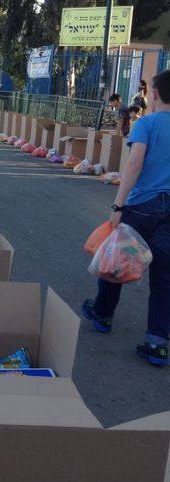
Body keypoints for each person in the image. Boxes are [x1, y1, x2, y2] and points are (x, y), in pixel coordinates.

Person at [82, 68, 170, 367]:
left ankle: (103, 315)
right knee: (164, 278)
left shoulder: (146, 123)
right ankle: (157, 342)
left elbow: (134, 163)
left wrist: (118, 207)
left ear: (154, 94)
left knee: (117, 261)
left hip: (141, 204)